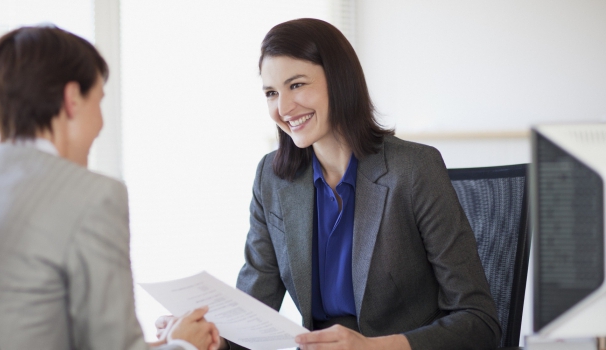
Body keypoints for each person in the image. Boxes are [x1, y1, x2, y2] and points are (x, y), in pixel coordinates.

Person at [159, 18, 501, 350]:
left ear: (339, 80)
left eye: (296, 85)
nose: (283, 107)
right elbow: (253, 313)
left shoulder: (413, 169)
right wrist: (210, 338)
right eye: (270, 92)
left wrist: (376, 348)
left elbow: (479, 321)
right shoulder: (273, 179)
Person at [0, 26, 219, 350]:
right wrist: (185, 346)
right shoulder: (95, 195)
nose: (101, 123)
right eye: (99, 101)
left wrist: (166, 343)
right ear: (72, 99)